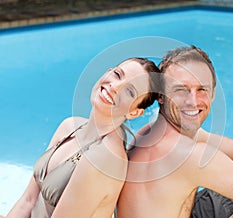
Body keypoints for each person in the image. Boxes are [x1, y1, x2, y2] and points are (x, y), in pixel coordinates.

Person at [117, 46, 233, 218]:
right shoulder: (188, 155)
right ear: (161, 96)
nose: (193, 101)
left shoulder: (153, 131)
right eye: (181, 90)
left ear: (212, 94)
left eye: (201, 89)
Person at [0, 57, 160, 218]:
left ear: (134, 112)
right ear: (107, 72)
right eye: (118, 74)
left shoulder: (105, 159)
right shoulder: (69, 126)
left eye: (129, 91)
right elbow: (28, 201)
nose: (115, 87)